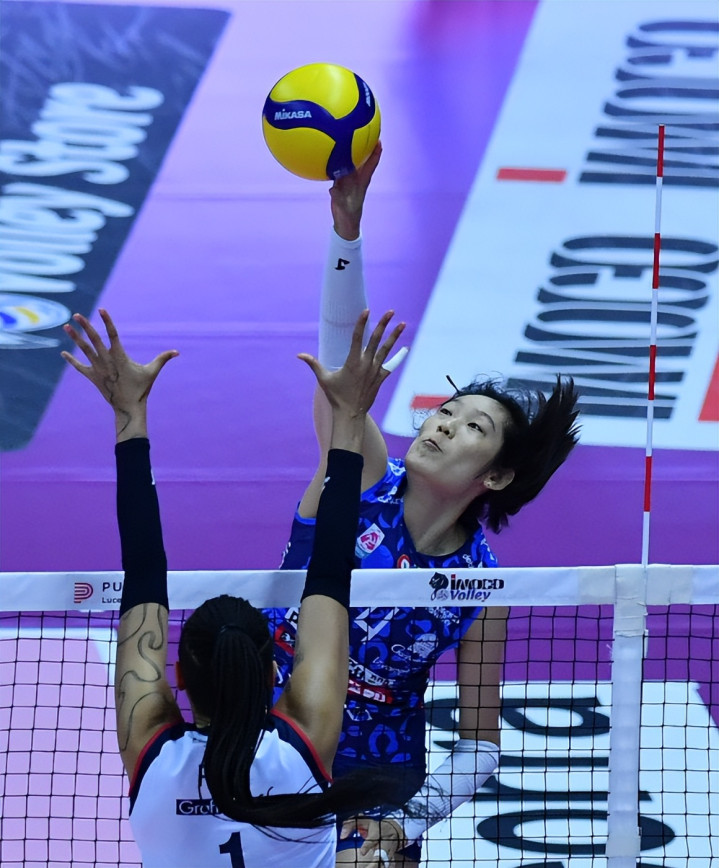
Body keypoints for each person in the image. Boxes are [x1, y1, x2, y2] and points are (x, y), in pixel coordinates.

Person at [268, 144, 581, 866]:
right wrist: (346, 233)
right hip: (268, 743)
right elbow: (341, 367)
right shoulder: (360, 480)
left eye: (473, 428)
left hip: (374, 786)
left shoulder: (480, 586)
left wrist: (400, 825)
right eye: (445, 410)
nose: (442, 425)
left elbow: (479, 747)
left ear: (495, 477)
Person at [62, 307, 406, 868]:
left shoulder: (154, 752)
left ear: (178, 676)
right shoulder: (301, 745)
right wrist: (350, 417)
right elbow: (330, 570)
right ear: (271, 672)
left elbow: (142, 569)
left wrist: (130, 413)